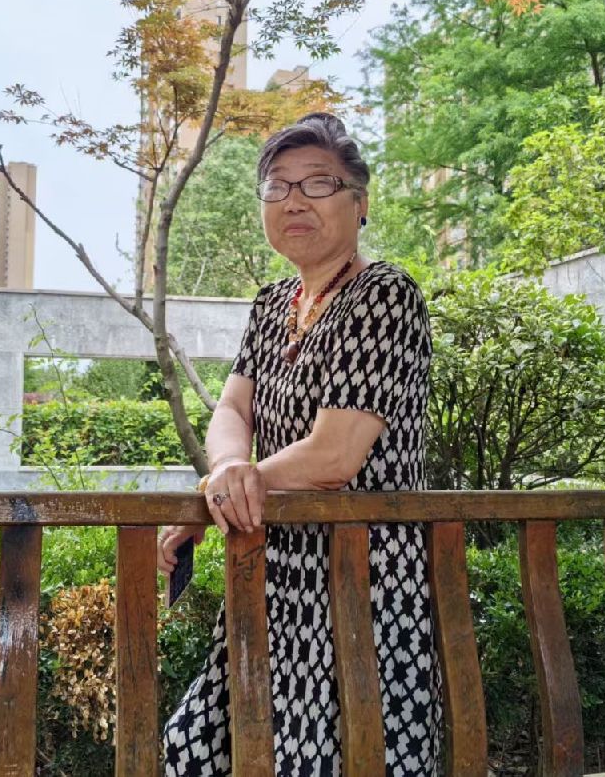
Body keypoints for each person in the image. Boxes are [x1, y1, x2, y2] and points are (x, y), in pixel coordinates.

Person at [158, 113, 442, 775]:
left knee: (341, 758)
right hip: (273, 572)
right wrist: (227, 469)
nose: (293, 200)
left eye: (318, 183)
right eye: (277, 186)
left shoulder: (385, 295)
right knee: (194, 746)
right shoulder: (271, 304)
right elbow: (233, 407)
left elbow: (334, 457)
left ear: (359, 202)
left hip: (362, 582)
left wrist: (225, 492)